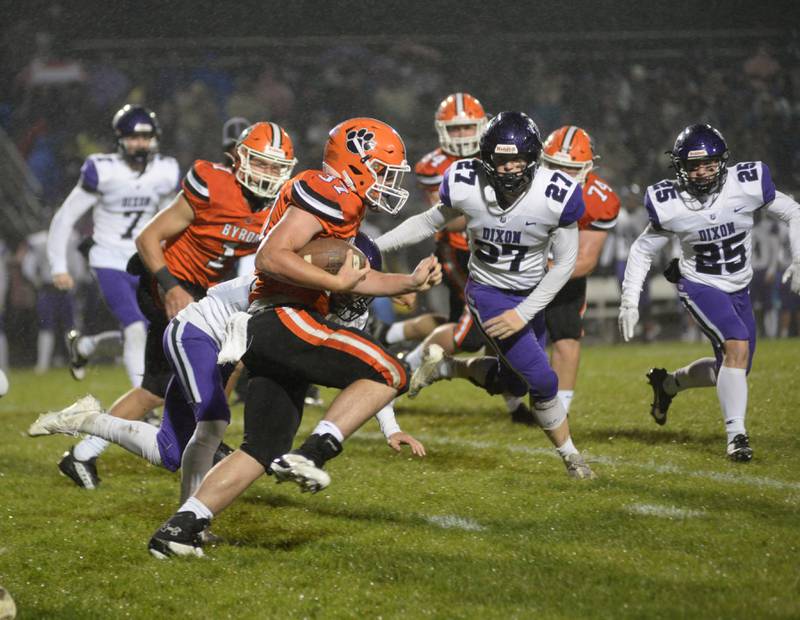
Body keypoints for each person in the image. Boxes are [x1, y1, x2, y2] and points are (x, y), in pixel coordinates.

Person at [146, 117, 441, 558]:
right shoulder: (330, 190)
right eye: (381, 169)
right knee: (391, 368)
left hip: (280, 323)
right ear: (356, 163)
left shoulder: (345, 204)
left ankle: (179, 530)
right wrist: (338, 285)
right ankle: (315, 453)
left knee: (263, 447)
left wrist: (408, 282)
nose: (387, 181)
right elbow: (271, 257)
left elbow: (351, 277)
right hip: (284, 316)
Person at [292, 112, 594, 488]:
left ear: (534, 159)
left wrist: (526, 311)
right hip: (489, 292)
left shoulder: (557, 193)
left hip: (531, 295)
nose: (510, 168)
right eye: (501, 159)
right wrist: (369, 248)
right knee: (542, 381)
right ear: (486, 158)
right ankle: (571, 457)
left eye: (518, 159)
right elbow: (427, 222)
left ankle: (448, 368)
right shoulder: (467, 183)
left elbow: (565, 263)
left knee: (509, 382)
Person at [29, 233, 424, 506]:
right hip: (199, 333)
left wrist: (392, 427)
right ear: (330, 263)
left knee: (173, 452)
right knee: (213, 426)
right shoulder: (292, 287)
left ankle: (87, 420)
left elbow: (368, 372)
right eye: (355, 277)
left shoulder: (338, 301)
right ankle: (188, 520)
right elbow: (249, 335)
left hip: (222, 348)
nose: (360, 289)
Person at [53, 121, 298, 489]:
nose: (266, 174)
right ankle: (86, 452)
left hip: (208, 290)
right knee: (157, 387)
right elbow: (148, 237)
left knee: (227, 361)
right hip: (166, 281)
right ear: (239, 157)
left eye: (274, 166)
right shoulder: (213, 184)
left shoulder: (283, 204)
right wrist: (170, 287)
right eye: (259, 163)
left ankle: (200, 434)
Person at [618, 123, 800, 461]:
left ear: (722, 162)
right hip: (699, 284)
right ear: (680, 167)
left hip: (739, 285)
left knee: (731, 369)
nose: (701, 172)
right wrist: (629, 299)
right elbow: (643, 249)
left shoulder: (745, 184)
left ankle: (668, 384)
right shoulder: (670, 201)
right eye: (693, 165)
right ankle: (737, 437)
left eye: (708, 164)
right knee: (736, 344)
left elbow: (793, 211)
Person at [48, 104, 180, 383]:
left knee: (148, 332)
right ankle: (141, 404)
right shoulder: (103, 169)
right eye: (133, 137)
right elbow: (65, 217)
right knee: (135, 329)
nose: (139, 144)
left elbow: (171, 220)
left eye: (144, 137)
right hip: (108, 259)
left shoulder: (165, 171)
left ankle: (86, 346)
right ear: (120, 139)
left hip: (145, 260)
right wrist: (58, 265)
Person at [374, 93, 488, 350]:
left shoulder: (495, 154)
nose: (461, 134)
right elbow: (448, 220)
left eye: (467, 126)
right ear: (442, 130)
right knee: (473, 333)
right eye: (455, 128)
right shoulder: (434, 165)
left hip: (492, 248)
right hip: (457, 250)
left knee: (470, 326)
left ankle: (389, 333)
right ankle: (411, 363)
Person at [540, 125, 620, 414]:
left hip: (562, 275)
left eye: (570, 169)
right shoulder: (522, 183)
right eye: (555, 166)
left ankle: (557, 412)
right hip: (515, 271)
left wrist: (537, 267)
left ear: (587, 167)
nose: (561, 175)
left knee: (566, 338)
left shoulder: (598, 199)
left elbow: (585, 261)